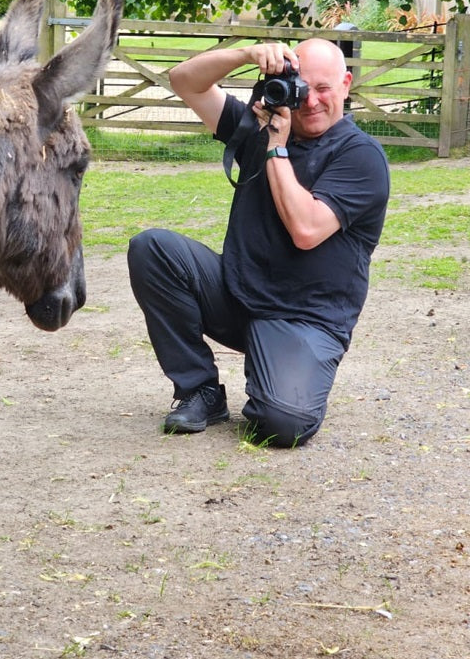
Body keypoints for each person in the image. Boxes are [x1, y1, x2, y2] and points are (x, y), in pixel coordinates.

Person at [127, 38, 390, 446]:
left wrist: (277, 148)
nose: (312, 101)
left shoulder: (361, 156)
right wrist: (247, 54)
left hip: (306, 320)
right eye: (302, 88)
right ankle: (200, 390)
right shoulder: (262, 122)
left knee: (281, 424)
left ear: (346, 84)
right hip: (239, 297)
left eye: (324, 88)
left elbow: (306, 230)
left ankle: (280, 375)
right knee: (152, 249)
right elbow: (184, 81)